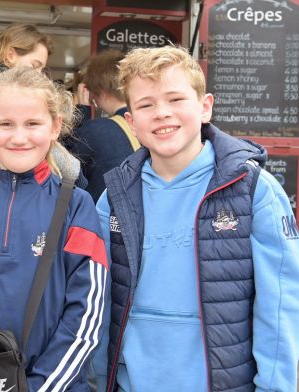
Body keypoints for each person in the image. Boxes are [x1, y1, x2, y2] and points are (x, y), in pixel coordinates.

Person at [93, 46, 299, 392]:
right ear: (130, 121)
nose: (162, 113)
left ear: (205, 107)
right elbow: (100, 304)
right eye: (146, 104)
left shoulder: (251, 190)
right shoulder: (114, 196)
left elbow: (280, 306)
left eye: (175, 99)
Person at [0, 67, 108, 391]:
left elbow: (86, 316)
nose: (19, 137)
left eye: (33, 124)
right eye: (5, 124)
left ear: (55, 127)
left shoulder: (77, 206)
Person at [0, 23, 82, 183]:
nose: (39, 74)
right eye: (35, 65)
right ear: (11, 55)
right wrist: (73, 170)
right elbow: (36, 141)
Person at [66, 50, 138, 201]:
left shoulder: (96, 130)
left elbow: (67, 161)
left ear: (101, 91)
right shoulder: (150, 123)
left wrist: (82, 110)